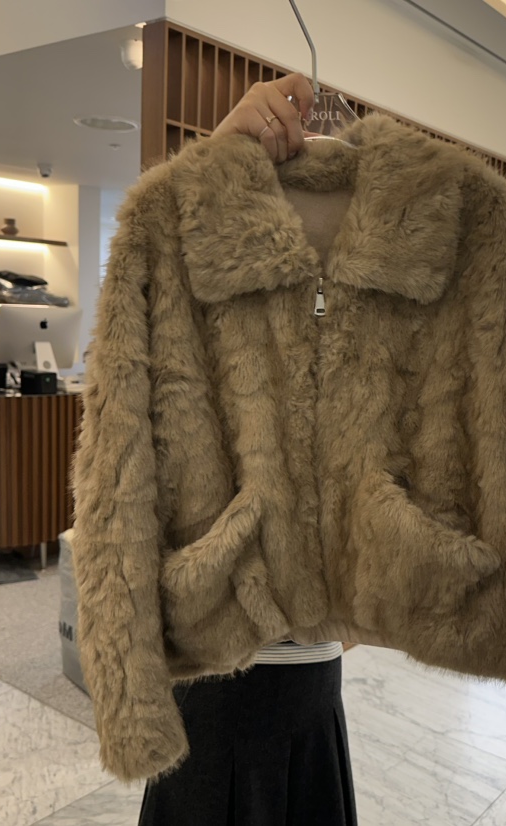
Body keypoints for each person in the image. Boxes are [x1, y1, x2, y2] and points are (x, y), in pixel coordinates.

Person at [137, 73, 357, 826]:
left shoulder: (377, 290)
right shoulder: (204, 266)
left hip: (312, 679)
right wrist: (209, 165)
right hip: (214, 673)